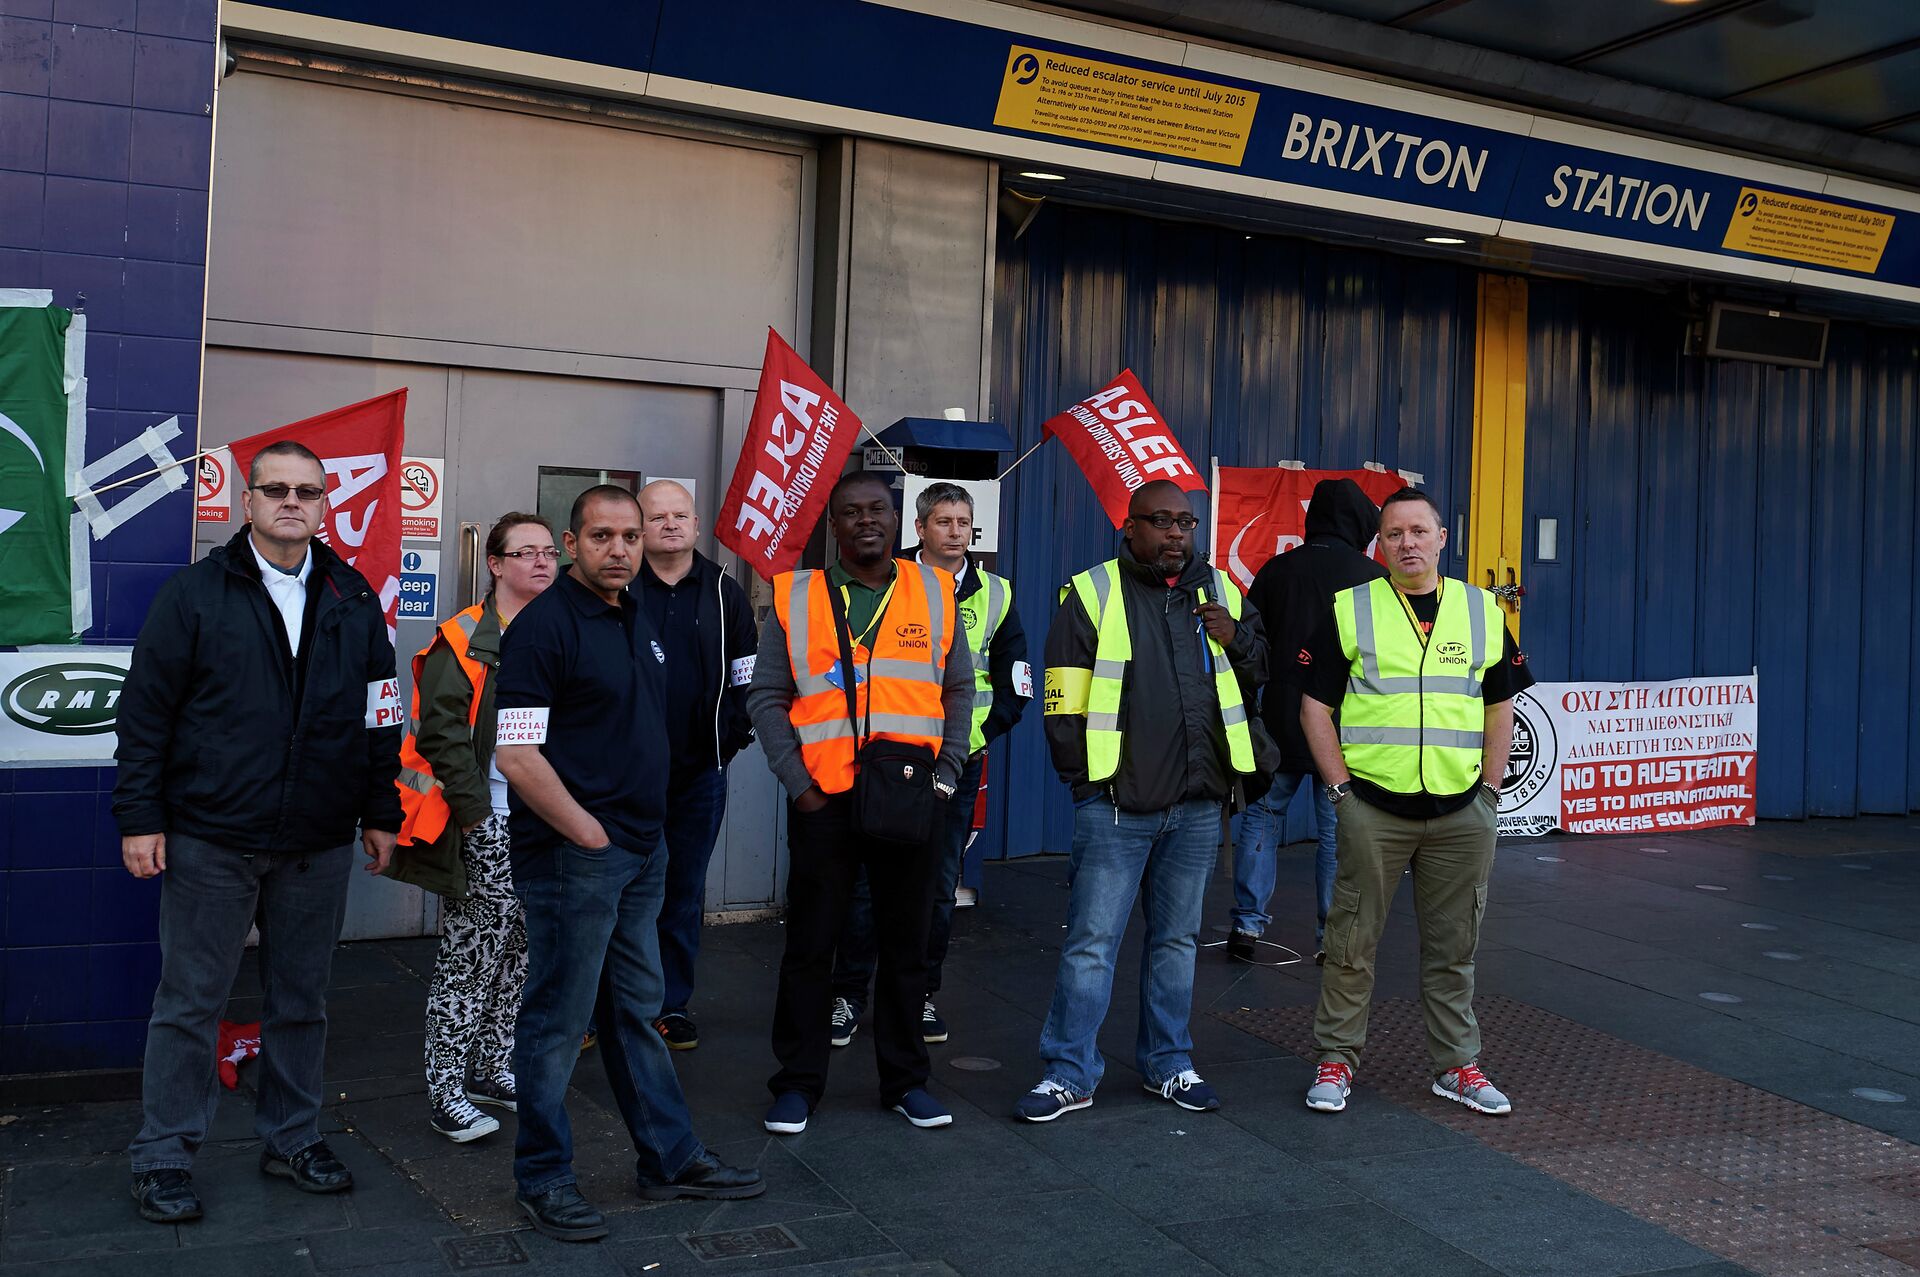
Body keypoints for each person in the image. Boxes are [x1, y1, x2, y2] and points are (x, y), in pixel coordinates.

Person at [114, 441, 403, 1223]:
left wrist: (382, 810)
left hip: (316, 839)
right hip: (212, 836)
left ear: (323, 505)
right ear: (246, 501)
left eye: (307, 491)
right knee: (189, 1003)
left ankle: (292, 1135)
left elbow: (382, 712)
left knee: (300, 1000)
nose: (291, 501)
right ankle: (165, 1152)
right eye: (275, 488)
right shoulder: (196, 593)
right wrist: (140, 816)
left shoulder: (351, 593)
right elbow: (145, 715)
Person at [494, 484, 762, 1243]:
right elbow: (514, 751)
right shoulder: (544, 628)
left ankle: (667, 1157)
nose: (619, 549)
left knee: (634, 1011)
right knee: (556, 1021)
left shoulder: (635, 614)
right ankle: (543, 1178)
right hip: (578, 856)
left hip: (641, 849)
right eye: (601, 536)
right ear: (572, 544)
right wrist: (585, 832)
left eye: (630, 537)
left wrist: (639, 834)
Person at [1016, 479, 1267, 1123]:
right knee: (1092, 942)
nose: (1176, 534)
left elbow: (1261, 668)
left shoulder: (1221, 591)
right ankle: (1069, 1071)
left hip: (1199, 800)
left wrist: (1234, 636)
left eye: (1185, 522)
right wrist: (1089, 783)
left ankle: (1168, 1062)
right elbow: (1062, 698)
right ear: (1130, 528)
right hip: (1117, 807)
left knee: (1177, 941)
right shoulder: (1092, 592)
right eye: (1161, 522)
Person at [747, 471, 975, 1135]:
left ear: (896, 519)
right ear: (834, 524)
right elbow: (765, 696)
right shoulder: (796, 595)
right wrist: (799, 785)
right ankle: (796, 1084)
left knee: (907, 946)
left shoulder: (933, 590)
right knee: (812, 948)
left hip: (912, 797)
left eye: (877, 509)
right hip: (826, 801)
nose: (866, 520)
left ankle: (906, 1082)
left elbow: (959, 688)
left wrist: (946, 774)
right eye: (851, 512)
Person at [1297, 487, 1532, 1118]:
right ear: (1379, 543)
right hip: (1373, 807)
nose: (1407, 544)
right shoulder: (1351, 609)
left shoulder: (1482, 611)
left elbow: (1500, 702)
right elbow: (1314, 708)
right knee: (1351, 944)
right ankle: (1336, 1060)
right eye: (1394, 534)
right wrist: (1340, 790)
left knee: (1455, 948)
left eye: (1419, 532)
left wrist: (1489, 788)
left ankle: (1456, 1066)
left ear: (1442, 538)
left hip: (1461, 812)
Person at [828, 481, 1030, 1049]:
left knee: (938, 888)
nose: (956, 532)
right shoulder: (892, 582)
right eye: (944, 521)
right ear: (919, 528)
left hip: (957, 764)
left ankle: (919, 996)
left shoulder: (998, 594)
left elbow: (1015, 683)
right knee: (867, 882)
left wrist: (968, 742)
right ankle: (847, 995)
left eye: (964, 522)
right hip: (888, 759)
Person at [388, 513, 558, 1142]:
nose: (541, 563)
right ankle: (445, 1087)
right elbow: (444, 739)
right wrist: (479, 821)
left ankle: (491, 1066)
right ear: (494, 564)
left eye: (549, 552)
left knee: (521, 950)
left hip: (544, 819)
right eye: (526, 553)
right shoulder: (458, 641)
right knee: (470, 956)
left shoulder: (562, 629)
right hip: (487, 819)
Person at [1227, 478, 1387, 963]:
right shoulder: (1374, 579)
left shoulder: (1276, 571)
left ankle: (1246, 926)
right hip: (1342, 726)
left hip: (1277, 721)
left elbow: (1250, 646)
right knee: (1338, 834)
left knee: (1261, 818)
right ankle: (1328, 937)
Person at [636, 479, 757, 1051]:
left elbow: (747, 674)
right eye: (656, 516)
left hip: (698, 775)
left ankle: (669, 1006)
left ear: (696, 521)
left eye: (679, 515)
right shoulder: (619, 584)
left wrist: (732, 737)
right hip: (621, 777)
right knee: (613, 893)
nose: (669, 525)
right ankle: (600, 1007)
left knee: (682, 893)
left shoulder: (723, 591)